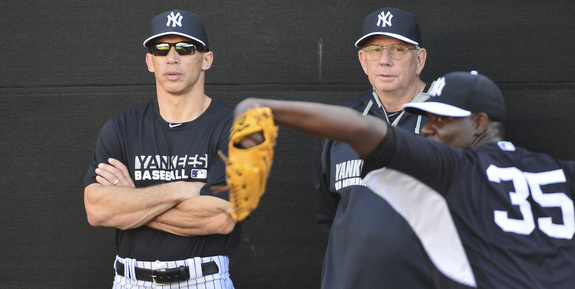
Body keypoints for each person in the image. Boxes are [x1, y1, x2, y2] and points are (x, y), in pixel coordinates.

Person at [233, 71, 575, 288]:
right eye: (426, 117)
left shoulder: (456, 166)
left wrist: (261, 106)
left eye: (442, 119)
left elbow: (360, 128)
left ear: (480, 124)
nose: (428, 128)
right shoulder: (562, 172)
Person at [83, 9, 240, 289]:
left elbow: (221, 217)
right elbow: (97, 210)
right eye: (160, 48)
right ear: (149, 61)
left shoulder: (235, 127)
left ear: (207, 59)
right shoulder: (121, 127)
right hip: (131, 280)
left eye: (185, 47)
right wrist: (181, 189)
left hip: (203, 279)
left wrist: (131, 201)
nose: (172, 57)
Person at [313, 7, 436, 288]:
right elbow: (328, 214)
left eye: (398, 49)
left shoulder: (453, 126)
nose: (385, 61)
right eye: (373, 50)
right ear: (362, 60)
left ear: (419, 60)